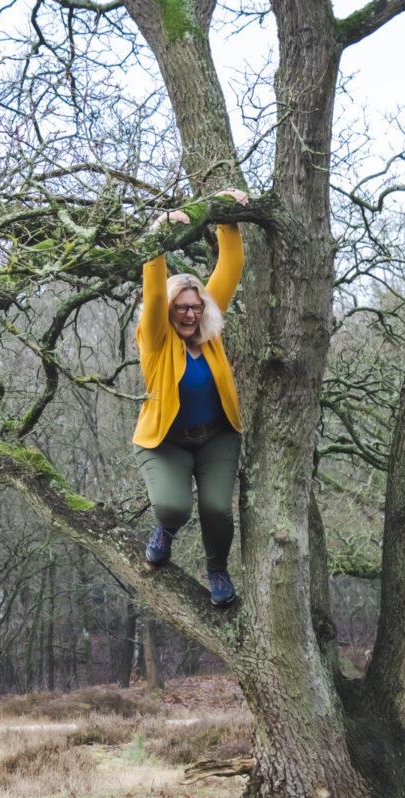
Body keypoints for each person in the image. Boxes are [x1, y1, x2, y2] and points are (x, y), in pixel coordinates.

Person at [133, 189, 248, 605]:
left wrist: (226, 215)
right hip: (165, 442)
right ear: (169, 311)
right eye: (180, 307)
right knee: (173, 507)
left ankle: (217, 571)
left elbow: (231, 265)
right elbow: (153, 294)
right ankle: (164, 531)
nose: (189, 313)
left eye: (196, 307)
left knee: (217, 509)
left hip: (217, 436)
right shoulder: (156, 340)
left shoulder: (209, 334)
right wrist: (158, 235)